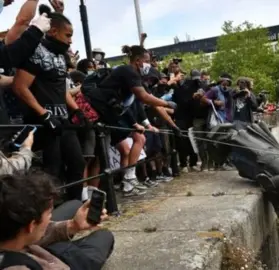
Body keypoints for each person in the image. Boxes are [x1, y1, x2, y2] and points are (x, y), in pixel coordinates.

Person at [12, 5, 87, 201]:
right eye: (68, 35)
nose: (70, 40)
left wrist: (77, 110)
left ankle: (74, 210)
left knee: (77, 164)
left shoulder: (61, 56)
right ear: (53, 31)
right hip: (43, 123)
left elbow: (60, 87)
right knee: (52, 170)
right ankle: (46, 219)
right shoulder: (36, 51)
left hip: (63, 120)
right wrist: (43, 113)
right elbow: (20, 87)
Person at [84, 44, 173, 197]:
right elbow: (143, 97)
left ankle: (99, 193)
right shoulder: (128, 71)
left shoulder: (132, 75)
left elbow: (131, 105)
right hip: (97, 114)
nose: (149, 65)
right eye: (147, 61)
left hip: (109, 115)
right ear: (138, 61)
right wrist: (166, 103)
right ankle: (87, 197)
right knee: (93, 158)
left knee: (101, 157)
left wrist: (141, 123)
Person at [0, 172, 114, 270]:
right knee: (104, 236)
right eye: (49, 213)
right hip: (62, 263)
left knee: (75, 204)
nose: (50, 217)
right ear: (32, 225)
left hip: (39, 250)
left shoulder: (13, 237)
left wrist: (72, 225)